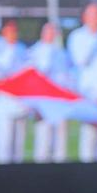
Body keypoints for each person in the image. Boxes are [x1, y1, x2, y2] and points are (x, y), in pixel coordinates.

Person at [68, 3, 97, 162]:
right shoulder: (78, 36)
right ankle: (87, 171)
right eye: (94, 14)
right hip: (88, 95)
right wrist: (94, 38)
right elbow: (80, 60)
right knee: (89, 138)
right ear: (85, 17)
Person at [30, 22, 71, 162]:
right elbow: (37, 77)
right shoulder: (35, 52)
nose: (51, 35)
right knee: (43, 143)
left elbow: (66, 77)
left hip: (59, 103)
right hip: (44, 104)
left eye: (53, 32)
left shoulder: (61, 53)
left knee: (60, 145)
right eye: (49, 31)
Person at [0, 20, 28, 163]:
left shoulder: (22, 49)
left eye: (15, 31)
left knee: (18, 147)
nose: (13, 34)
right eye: (10, 31)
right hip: (5, 103)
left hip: (20, 103)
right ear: (4, 32)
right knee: (4, 146)